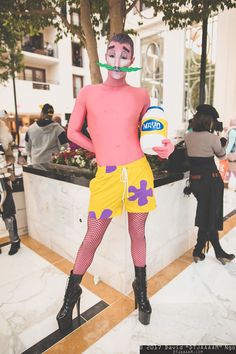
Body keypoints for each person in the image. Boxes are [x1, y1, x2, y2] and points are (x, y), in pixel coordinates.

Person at [56, 33, 174, 331]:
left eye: (125, 53)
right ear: (104, 57)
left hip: (138, 173)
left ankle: (142, 291)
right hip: (107, 176)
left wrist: (165, 145)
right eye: (112, 51)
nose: (118, 58)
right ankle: (72, 292)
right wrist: (100, 149)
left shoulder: (141, 95)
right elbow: (72, 132)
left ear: (132, 60)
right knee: (92, 237)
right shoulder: (88, 93)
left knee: (138, 232)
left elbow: (152, 133)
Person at [184, 104, 235, 265]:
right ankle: (211, 251)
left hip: (196, 182)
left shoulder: (188, 135)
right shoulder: (212, 138)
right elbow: (222, 156)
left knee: (207, 215)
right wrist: (222, 143)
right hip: (211, 181)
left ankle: (200, 250)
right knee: (211, 216)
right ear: (209, 121)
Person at [0, 111, 21, 255]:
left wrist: (6, 169)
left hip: (3, 179)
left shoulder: (4, 137)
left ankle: (15, 241)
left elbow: (10, 158)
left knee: (8, 212)